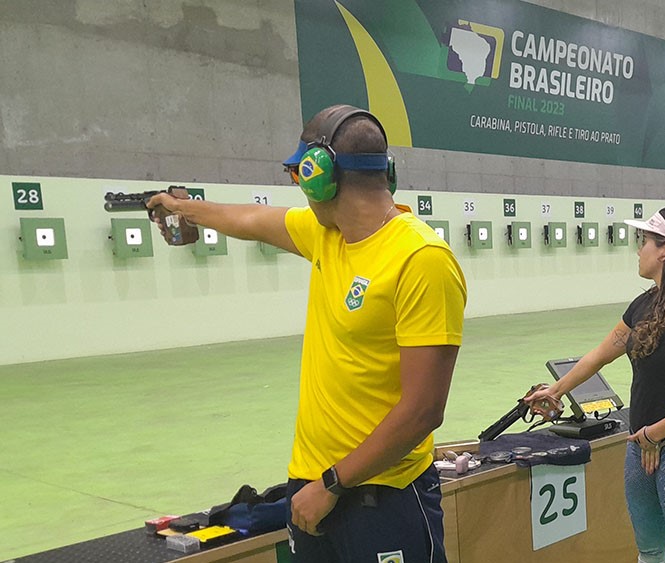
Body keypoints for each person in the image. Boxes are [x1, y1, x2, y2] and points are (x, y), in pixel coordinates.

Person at [148, 105, 466, 562]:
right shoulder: (327, 235)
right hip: (313, 488)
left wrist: (333, 483)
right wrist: (182, 208)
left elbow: (423, 410)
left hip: (378, 493)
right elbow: (252, 219)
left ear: (321, 175)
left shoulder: (421, 259)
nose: (299, 188)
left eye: (300, 174)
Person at [527, 208, 665, 563]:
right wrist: (556, 390)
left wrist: (656, 434)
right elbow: (601, 354)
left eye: (645, 242)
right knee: (649, 550)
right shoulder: (644, 304)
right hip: (640, 443)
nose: (639, 250)